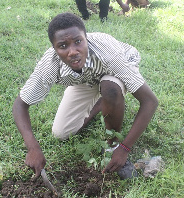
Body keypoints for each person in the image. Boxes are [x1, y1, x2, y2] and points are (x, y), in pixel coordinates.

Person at [12, 12, 158, 180]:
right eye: (63, 46)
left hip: (113, 72)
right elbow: (20, 105)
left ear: (86, 38)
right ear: (54, 49)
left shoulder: (109, 55)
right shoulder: (50, 63)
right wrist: (32, 148)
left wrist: (124, 148)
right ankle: (103, 102)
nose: (73, 51)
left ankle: (111, 144)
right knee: (62, 133)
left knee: (110, 88)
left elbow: (150, 101)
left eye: (78, 41)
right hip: (84, 78)